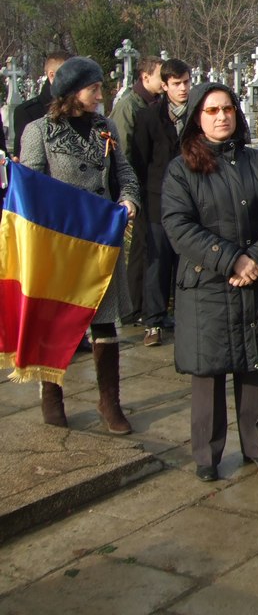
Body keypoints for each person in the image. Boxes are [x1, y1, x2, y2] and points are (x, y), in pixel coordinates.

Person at [161, 82, 258, 481]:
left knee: (253, 366)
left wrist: (257, 257)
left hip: (254, 279)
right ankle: (207, 455)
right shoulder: (181, 169)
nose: (222, 117)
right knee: (209, 372)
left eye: (228, 109)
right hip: (207, 285)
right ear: (197, 118)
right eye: (212, 110)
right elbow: (179, 226)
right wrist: (231, 260)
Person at [20, 57, 139, 434]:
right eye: (94, 89)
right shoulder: (39, 132)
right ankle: (52, 396)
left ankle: (110, 402)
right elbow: (32, 189)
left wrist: (129, 199)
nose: (101, 95)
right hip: (62, 244)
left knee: (105, 321)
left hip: (101, 240)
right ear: (72, 92)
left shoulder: (105, 128)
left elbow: (124, 172)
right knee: (56, 322)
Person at [130, 59, 191, 347]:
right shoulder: (149, 117)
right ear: (164, 86)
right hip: (157, 201)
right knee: (157, 262)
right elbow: (139, 161)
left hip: (190, 201)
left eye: (186, 82)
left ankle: (184, 317)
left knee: (185, 261)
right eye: (176, 84)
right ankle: (153, 320)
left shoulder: (197, 115)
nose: (183, 88)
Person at [112, 56, 164, 325]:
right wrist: (130, 189)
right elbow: (122, 151)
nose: (165, 82)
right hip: (137, 186)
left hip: (148, 184)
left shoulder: (152, 103)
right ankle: (133, 306)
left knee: (147, 245)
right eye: (161, 77)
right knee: (141, 246)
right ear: (145, 77)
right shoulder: (128, 106)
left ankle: (142, 304)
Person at [12, 50, 70, 160]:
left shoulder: (81, 108)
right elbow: (23, 158)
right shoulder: (27, 112)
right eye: (70, 74)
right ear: (52, 75)